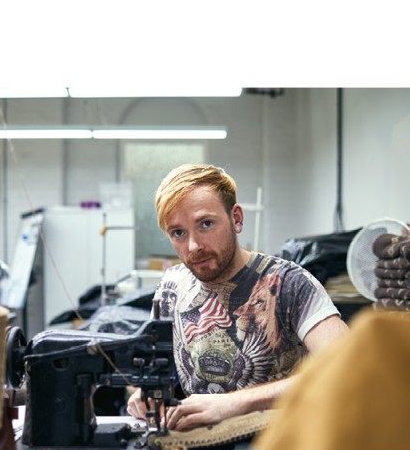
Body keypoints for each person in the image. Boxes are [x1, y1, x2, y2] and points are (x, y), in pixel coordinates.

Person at [131, 164, 347, 433]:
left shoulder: (287, 284)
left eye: (206, 224)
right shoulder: (172, 287)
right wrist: (142, 394)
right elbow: (153, 370)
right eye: (178, 233)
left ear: (236, 218)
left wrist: (235, 403)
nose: (194, 246)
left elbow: (350, 367)